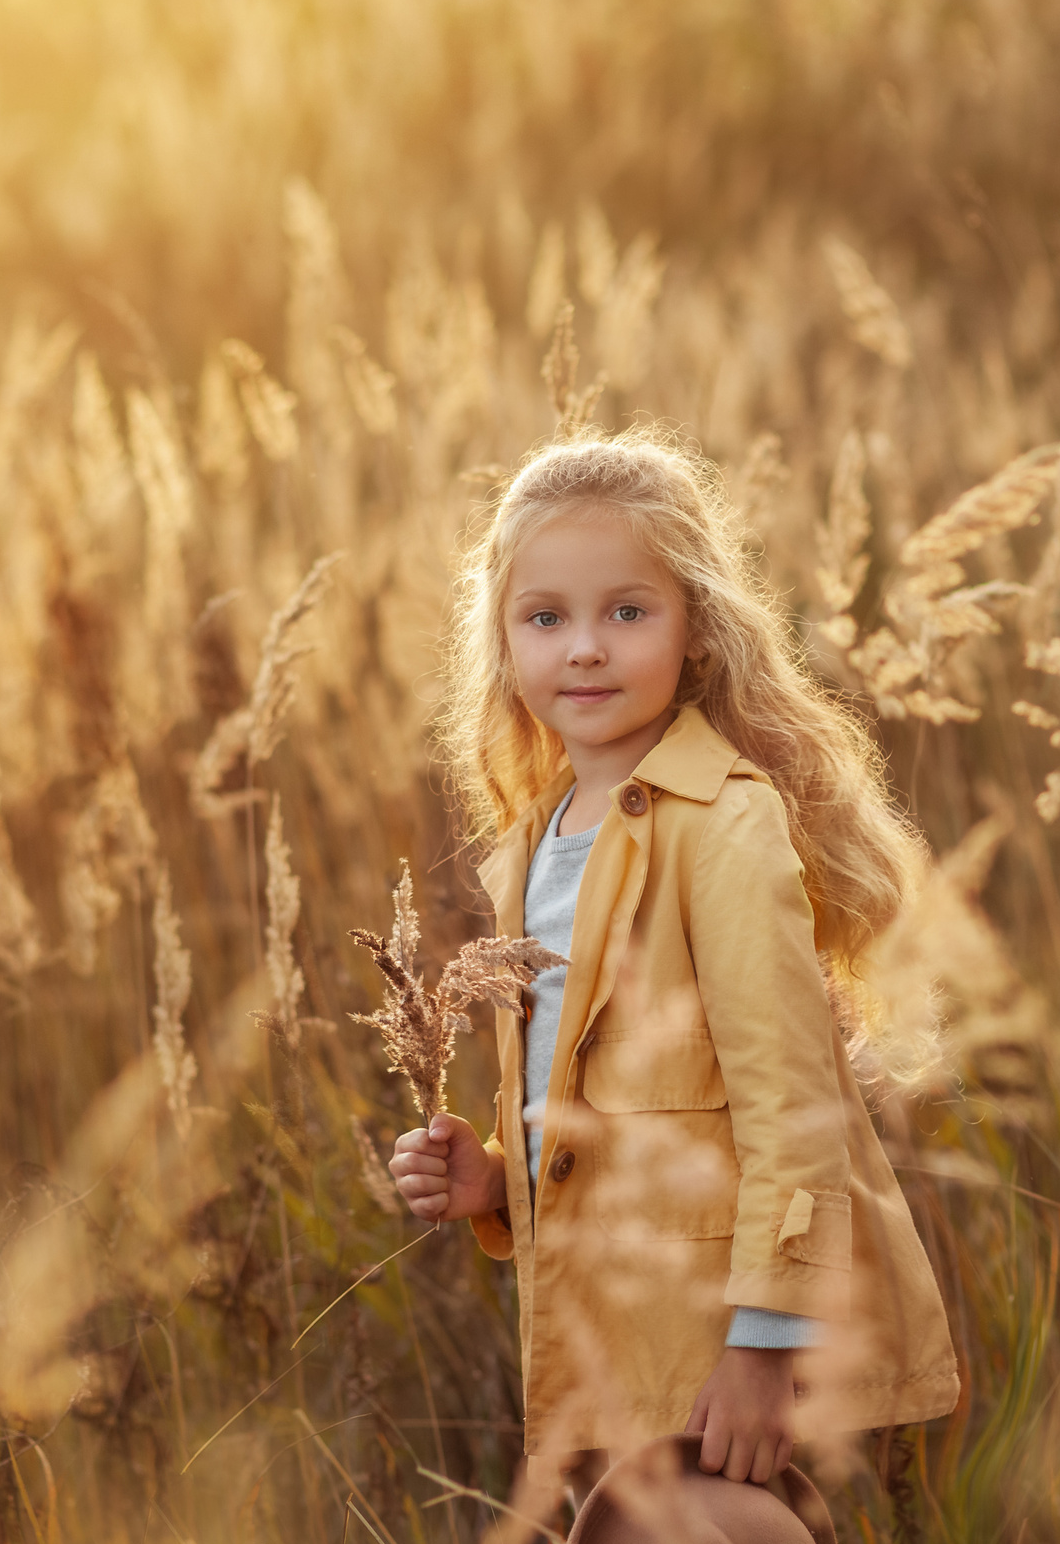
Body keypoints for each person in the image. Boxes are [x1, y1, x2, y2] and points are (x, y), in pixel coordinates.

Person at [386, 426, 959, 1488]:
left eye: (627, 612)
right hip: (611, 1330)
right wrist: (494, 1187)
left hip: (717, 1345)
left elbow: (793, 1112)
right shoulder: (532, 845)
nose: (585, 648)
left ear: (695, 630)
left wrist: (760, 1350)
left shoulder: (722, 827)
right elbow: (606, 1117)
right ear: (505, 646)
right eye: (545, 618)